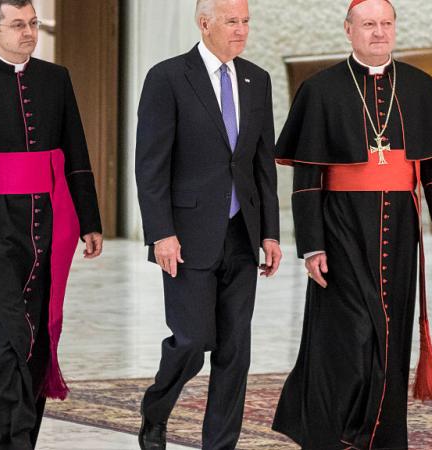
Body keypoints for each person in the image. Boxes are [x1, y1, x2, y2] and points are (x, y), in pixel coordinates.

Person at [271, 0, 432, 448]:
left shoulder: (418, 85)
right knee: (352, 332)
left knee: (392, 332)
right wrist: (311, 245)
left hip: (399, 227)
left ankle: (377, 436)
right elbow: (307, 178)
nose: (379, 32)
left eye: (386, 24)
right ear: (348, 30)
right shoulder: (320, 89)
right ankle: (332, 429)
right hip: (341, 226)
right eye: (368, 24)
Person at [0, 0, 103, 448]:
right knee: (3, 347)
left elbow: (76, 154)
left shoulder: (56, 79)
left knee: (33, 346)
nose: (28, 32)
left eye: (32, 23)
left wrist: (90, 219)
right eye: (17, 25)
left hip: (45, 230)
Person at [134, 0, 282, 448]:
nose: (241, 31)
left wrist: (271, 232)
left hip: (242, 234)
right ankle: (156, 409)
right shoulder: (167, 78)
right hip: (186, 235)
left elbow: (262, 164)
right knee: (192, 340)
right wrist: (161, 232)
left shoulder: (258, 79)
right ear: (204, 24)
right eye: (232, 22)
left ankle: (220, 445)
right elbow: (150, 164)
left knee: (235, 351)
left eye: (246, 21)